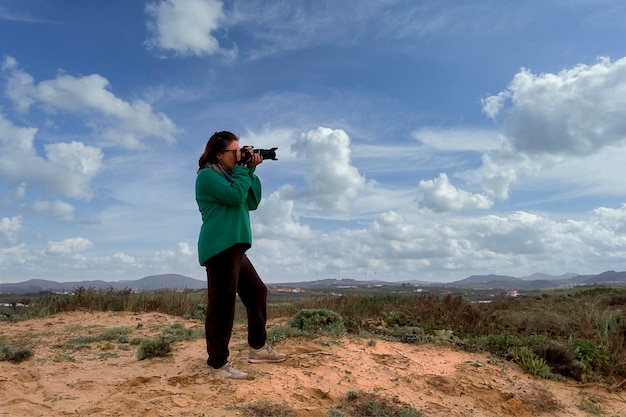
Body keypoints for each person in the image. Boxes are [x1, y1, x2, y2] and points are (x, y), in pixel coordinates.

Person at [196, 131, 287, 380]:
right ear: (218, 154)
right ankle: (217, 364)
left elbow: (252, 201)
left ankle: (257, 349)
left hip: (235, 246)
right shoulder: (207, 176)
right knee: (222, 305)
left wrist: (251, 170)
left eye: (240, 152)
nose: (239, 156)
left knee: (257, 291)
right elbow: (235, 195)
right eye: (234, 152)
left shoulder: (231, 175)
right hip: (219, 246)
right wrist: (243, 169)